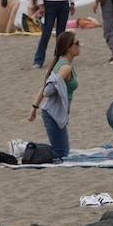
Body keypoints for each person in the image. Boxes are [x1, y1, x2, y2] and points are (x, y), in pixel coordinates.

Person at [28, 31, 79, 159]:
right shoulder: (65, 68)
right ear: (68, 47)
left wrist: (34, 108)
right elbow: (47, 89)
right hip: (52, 114)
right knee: (61, 154)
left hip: (54, 113)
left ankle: (27, 148)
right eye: (77, 43)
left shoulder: (59, 63)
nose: (79, 46)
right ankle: (26, 148)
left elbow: (44, 85)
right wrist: (51, 89)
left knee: (62, 152)